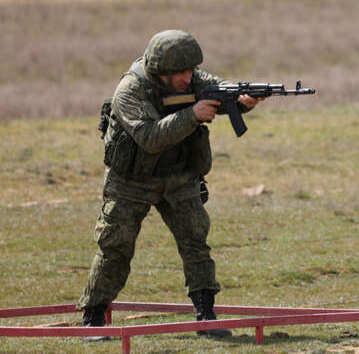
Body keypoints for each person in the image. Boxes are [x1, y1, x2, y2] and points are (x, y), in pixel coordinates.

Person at [76, 29, 262, 339]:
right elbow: (149, 138)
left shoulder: (194, 79)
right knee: (114, 248)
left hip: (178, 175)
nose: (189, 78)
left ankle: (206, 315)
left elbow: (220, 92)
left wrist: (244, 102)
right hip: (130, 180)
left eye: (191, 70)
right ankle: (94, 317)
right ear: (161, 70)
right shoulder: (130, 90)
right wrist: (192, 115)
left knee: (195, 243)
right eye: (181, 72)